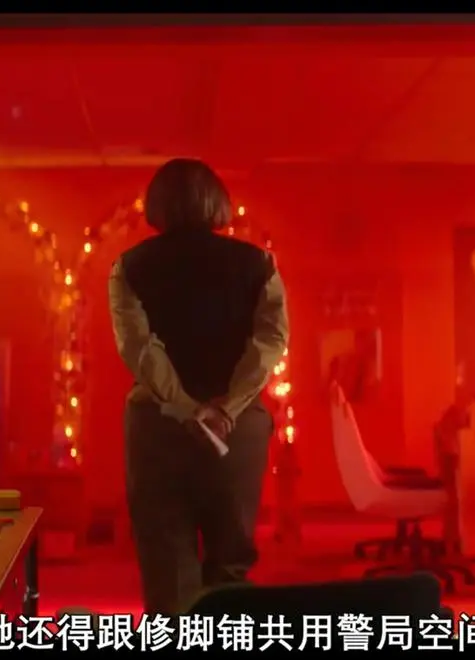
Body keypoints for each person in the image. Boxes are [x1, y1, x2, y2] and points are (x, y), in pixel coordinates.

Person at [109, 158, 290, 614]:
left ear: (157, 205)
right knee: (231, 565)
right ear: (217, 203)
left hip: (158, 427)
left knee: (167, 568)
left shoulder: (129, 267)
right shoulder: (259, 264)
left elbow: (139, 348)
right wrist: (226, 408)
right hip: (238, 429)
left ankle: (175, 642)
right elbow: (270, 342)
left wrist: (187, 408)